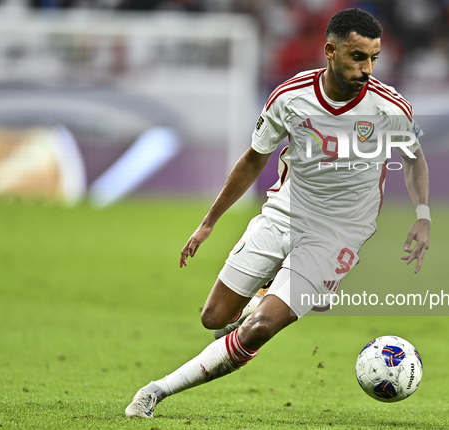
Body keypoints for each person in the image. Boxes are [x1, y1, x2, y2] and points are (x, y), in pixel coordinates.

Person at [125, 7, 430, 418]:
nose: (367, 68)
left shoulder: (389, 108)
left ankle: (155, 392)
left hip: (338, 233)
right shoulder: (290, 97)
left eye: (374, 57)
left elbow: (413, 159)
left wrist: (423, 214)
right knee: (215, 318)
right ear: (330, 50)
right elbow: (253, 159)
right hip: (284, 213)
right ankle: (266, 294)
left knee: (260, 328)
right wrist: (208, 222)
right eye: (358, 56)